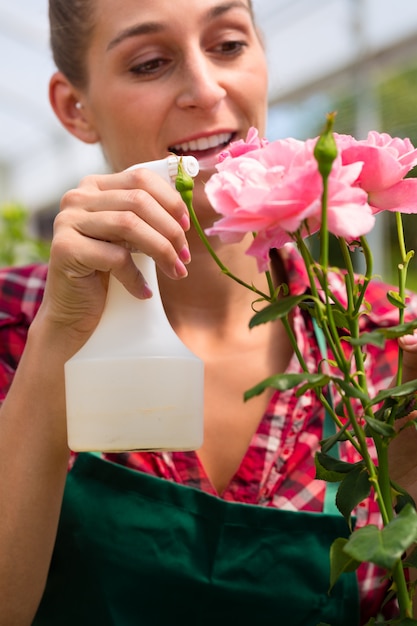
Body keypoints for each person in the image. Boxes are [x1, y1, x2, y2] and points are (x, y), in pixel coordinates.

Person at [1, 1, 417, 624]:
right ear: (73, 107)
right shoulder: (16, 324)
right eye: (149, 63)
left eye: (228, 45)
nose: (205, 87)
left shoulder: (384, 340)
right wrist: (58, 336)